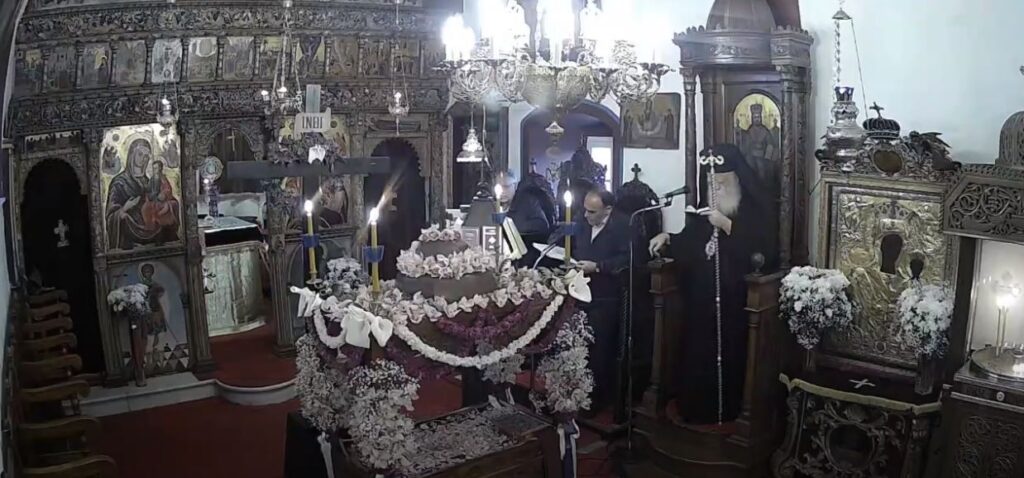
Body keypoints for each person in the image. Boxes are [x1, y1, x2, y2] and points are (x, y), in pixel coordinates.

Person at [648, 144, 769, 425]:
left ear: (737, 180)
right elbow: (691, 241)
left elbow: (764, 249)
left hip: (737, 299)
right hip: (701, 297)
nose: (717, 190)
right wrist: (668, 237)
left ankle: (726, 410)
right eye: (712, 183)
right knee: (697, 352)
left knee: (730, 355)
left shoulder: (753, 209)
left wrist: (727, 225)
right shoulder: (706, 208)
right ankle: (695, 407)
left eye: (723, 183)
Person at [571, 188, 630, 414]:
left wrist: (598, 267)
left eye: (592, 212)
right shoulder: (582, 219)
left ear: (608, 210)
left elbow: (629, 257)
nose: (586, 215)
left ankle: (596, 398)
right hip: (579, 291)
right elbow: (572, 244)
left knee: (599, 348)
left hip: (607, 295)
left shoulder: (624, 225)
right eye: (585, 210)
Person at [496, 170, 555, 266]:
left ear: (515, 186)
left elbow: (542, 224)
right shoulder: (492, 204)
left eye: (506, 187)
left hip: (526, 255)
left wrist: (512, 227)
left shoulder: (528, 201)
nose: (502, 191)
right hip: (500, 252)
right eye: (499, 187)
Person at [141, 160, 179, 230]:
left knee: (165, 207)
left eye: (156, 168)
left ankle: (160, 225)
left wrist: (164, 194)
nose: (154, 170)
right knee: (145, 208)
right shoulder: (152, 179)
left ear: (160, 168)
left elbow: (168, 189)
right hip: (153, 199)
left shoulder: (163, 178)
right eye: (153, 168)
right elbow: (148, 190)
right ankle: (150, 227)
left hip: (162, 200)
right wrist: (149, 194)